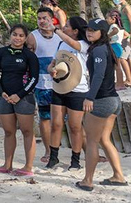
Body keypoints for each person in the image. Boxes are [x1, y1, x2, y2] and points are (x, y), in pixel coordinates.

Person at [75, 19, 127, 192]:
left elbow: (97, 76)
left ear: (102, 33)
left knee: (91, 142)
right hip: (114, 100)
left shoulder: (98, 50)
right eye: (88, 30)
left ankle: (88, 181)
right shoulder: (106, 48)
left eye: (94, 30)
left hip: (102, 101)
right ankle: (118, 176)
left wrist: (89, 97)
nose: (89, 33)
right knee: (105, 140)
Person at [0, 24, 39, 176]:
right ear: (10, 35)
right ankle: (7, 164)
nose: (17, 38)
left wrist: (20, 94)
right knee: (8, 131)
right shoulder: (1, 52)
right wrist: (2, 93)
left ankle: (28, 167)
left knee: (27, 131)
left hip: (24, 98)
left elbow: (34, 78)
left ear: (25, 38)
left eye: (21, 36)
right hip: (5, 98)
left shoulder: (29, 55)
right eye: (15, 34)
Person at [46, 16, 89, 170]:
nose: (64, 28)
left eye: (67, 26)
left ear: (76, 31)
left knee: (75, 127)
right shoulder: (60, 44)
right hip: (59, 86)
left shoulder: (84, 45)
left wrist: (56, 30)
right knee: (56, 124)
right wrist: (51, 70)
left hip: (78, 90)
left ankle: (75, 160)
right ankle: (53, 157)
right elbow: (52, 63)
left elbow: (73, 44)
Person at [26, 6, 59, 163]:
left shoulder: (60, 35)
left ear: (52, 19)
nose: (41, 21)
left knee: (69, 120)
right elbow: (27, 60)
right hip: (42, 86)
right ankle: (48, 151)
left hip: (62, 84)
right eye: (39, 18)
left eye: (45, 18)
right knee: (45, 118)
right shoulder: (32, 37)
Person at [111, 0, 131, 86]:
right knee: (130, 58)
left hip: (128, 35)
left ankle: (130, 80)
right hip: (127, 35)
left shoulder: (126, 8)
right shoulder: (121, 7)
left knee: (122, 57)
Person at [105, 10, 130, 90]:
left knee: (117, 66)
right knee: (118, 66)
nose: (106, 20)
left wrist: (108, 36)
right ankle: (120, 83)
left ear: (113, 19)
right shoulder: (121, 28)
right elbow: (127, 35)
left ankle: (120, 84)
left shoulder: (113, 26)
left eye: (107, 18)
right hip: (118, 45)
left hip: (114, 46)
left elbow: (115, 31)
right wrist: (119, 39)